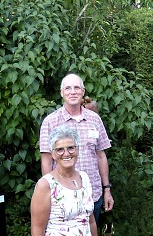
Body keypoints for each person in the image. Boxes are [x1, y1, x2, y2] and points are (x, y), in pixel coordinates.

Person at [40, 74, 113, 226]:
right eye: (68, 88)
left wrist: (107, 190)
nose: (72, 92)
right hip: (63, 197)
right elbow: (47, 161)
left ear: (83, 91)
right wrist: (50, 194)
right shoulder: (51, 122)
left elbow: (101, 156)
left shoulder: (94, 119)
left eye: (76, 88)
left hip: (94, 194)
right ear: (62, 93)